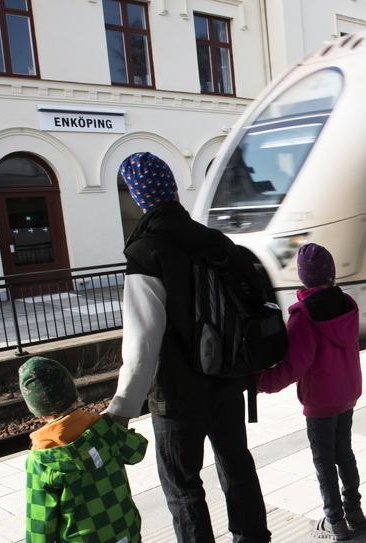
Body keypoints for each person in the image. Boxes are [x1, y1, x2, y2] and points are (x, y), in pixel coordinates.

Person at [105, 152, 270, 543]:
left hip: (177, 395)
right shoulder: (213, 239)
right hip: (228, 379)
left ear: (138, 196)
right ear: (173, 189)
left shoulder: (146, 252)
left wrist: (123, 408)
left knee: (183, 486)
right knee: (237, 466)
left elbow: (143, 342)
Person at [257, 243, 364, 541]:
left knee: (324, 461)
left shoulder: (304, 317)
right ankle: (355, 511)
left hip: (321, 401)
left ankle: (335, 522)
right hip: (347, 395)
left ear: (303, 277)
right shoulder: (348, 306)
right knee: (344, 452)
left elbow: (294, 366)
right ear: (332, 273)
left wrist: (262, 382)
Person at [21, 356, 147, 542]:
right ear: (73, 394)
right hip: (125, 532)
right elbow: (137, 451)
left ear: (37, 411)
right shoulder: (104, 428)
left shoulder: (42, 460)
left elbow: (39, 523)